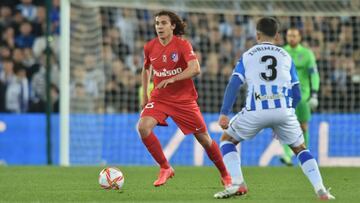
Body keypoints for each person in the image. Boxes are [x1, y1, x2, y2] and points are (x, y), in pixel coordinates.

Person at [213, 17, 334, 200]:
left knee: (227, 141)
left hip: (256, 110)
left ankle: (238, 184)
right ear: (278, 36)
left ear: (257, 34)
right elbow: (297, 92)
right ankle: (321, 190)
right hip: (283, 110)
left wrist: (224, 113)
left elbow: (234, 84)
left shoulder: (248, 55)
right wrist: (287, 114)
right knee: (301, 149)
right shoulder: (286, 56)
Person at [137, 10, 231, 187]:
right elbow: (146, 68)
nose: (159, 26)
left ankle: (225, 174)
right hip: (160, 98)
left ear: (172, 26)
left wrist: (173, 78)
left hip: (183, 100)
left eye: (164, 23)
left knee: (204, 139)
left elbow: (195, 69)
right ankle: (165, 167)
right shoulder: (149, 46)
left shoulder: (183, 45)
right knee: (143, 127)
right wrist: (145, 95)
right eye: (157, 23)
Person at [280, 27, 320, 166]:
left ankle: (305, 154)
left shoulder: (307, 54)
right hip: (286, 95)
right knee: (284, 125)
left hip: (303, 96)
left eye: (294, 35)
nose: (291, 38)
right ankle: (287, 155)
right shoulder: (282, 52)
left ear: (299, 37)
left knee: (303, 126)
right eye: (289, 35)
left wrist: (314, 93)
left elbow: (314, 74)